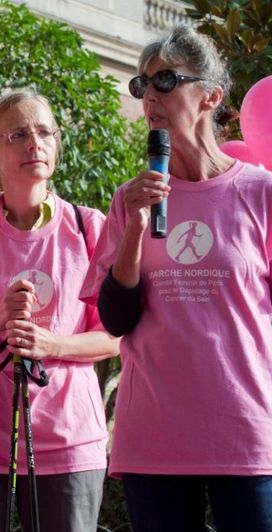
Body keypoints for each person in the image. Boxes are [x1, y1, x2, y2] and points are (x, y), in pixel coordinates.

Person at [82, 25, 272, 532]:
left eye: (166, 80)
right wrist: (136, 231)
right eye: (142, 85)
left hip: (247, 434)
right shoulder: (131, 198)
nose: (150, 96)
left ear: (210, 95)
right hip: (156, 439)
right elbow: (115, 318)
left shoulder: (261, 194)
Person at [0, 88, 119, 532]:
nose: (35, 143)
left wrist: (51, 343)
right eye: (19, 135)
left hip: (67, 441)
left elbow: (113, 335)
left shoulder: (90, 228)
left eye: (44, 132)